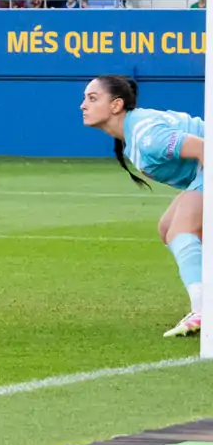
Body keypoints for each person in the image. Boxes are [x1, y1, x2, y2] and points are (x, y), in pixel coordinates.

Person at [82, 75, 203, 338]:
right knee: (168, 227)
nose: (83, 105)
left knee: (182, 229)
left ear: (116, 105)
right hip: (202, 171)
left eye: (92, 98)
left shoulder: (147, 137)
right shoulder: (135, 136)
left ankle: (204, 307)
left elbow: (206, 149)